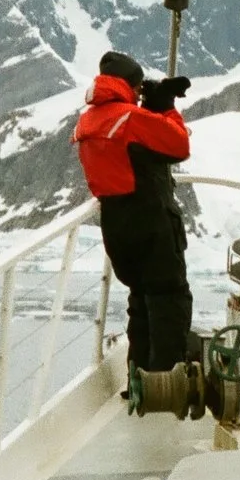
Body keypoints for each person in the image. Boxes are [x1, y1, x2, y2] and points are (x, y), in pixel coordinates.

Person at [74, 50, 193, 372]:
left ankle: (138, 374)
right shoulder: (131, 118)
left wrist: (148, 106)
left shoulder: (87, 120)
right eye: (140, 87)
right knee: (168, 298)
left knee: (140, 298)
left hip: (115, 225)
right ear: (129, 85)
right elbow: (179, 146)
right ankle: (166, 381)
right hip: (151, 220)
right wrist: (166, 108)